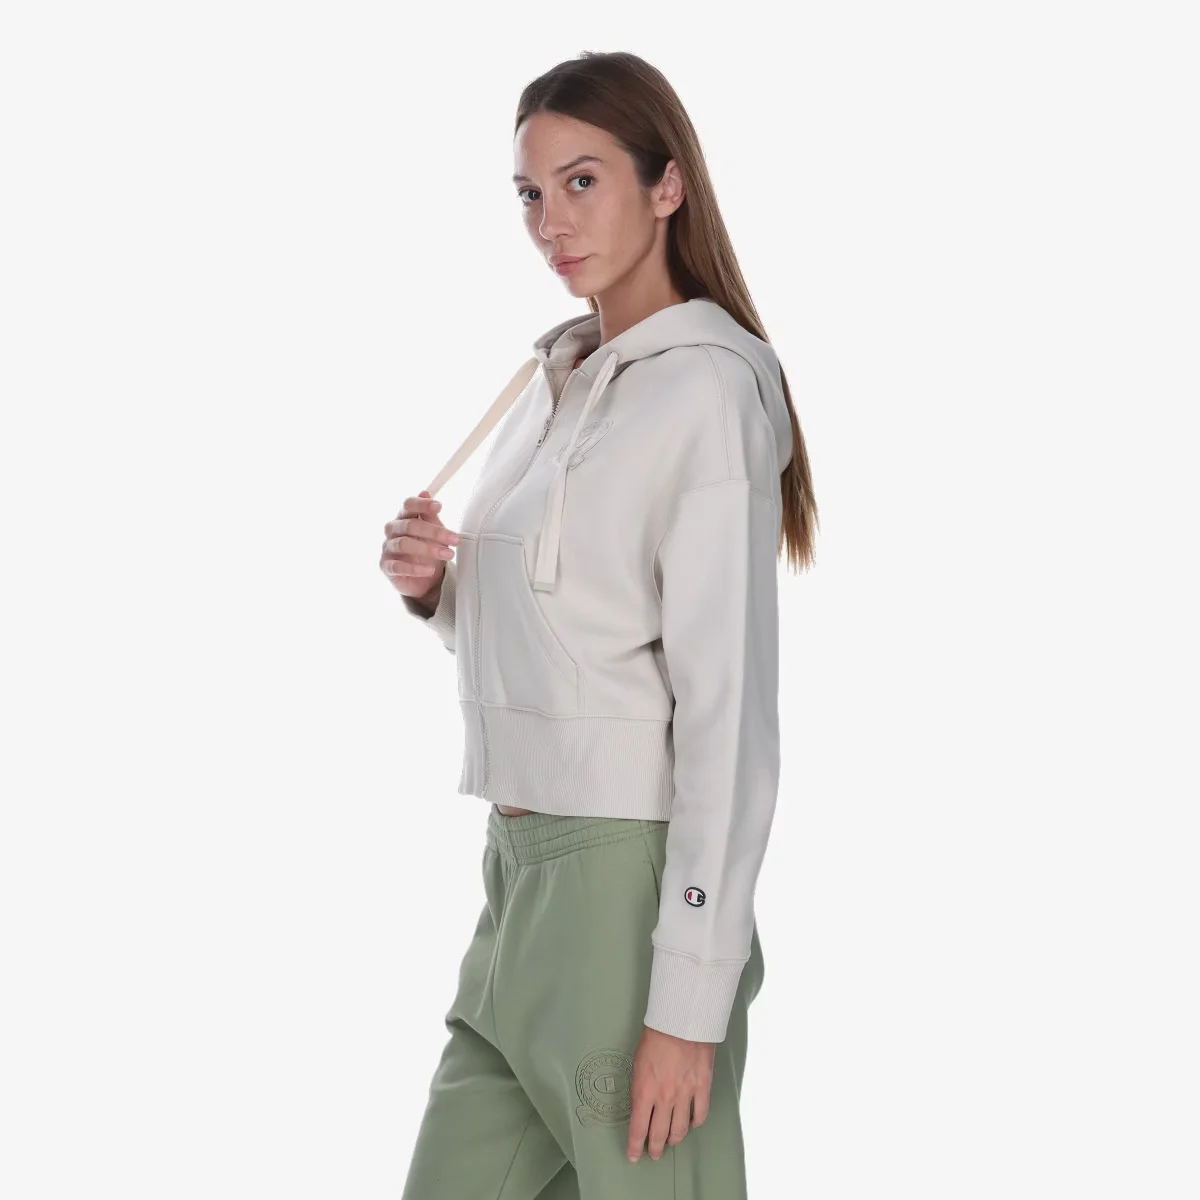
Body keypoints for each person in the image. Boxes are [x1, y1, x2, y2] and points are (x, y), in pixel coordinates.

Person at [380, 50, 817, 1199]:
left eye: (583, 181)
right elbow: (573, 631)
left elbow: (728, 717)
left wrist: (687, 1005)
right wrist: (438, 594)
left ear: (666, 185)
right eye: (531, 193)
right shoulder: (556, 381)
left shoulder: (706, 391)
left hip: (625, 889)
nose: (551, 222)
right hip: (516, 877)